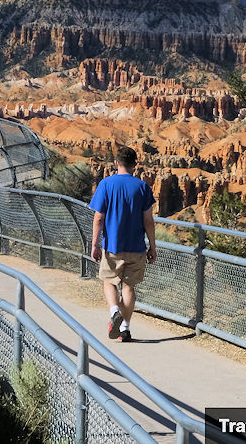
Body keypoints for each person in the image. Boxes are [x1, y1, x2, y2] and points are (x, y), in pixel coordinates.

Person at [89, 146, 157, 343]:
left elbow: (98, 218)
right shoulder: (142, 187)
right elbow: (148, 221)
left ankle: (114, 312)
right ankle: (125, 328)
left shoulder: (106, 184)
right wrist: (152, 246)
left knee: (109, 282)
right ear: (135, 165)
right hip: (136, 246)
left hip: (112, 246)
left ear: (116, 163)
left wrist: (95, 244)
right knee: (128, 288)